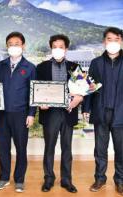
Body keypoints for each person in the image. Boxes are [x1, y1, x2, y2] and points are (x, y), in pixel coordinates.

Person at [36, 34, 83, 193]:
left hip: (68, 112)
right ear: (51, 48)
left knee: (67, 148)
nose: (58, 50)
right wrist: (40, 103)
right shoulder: (41, 67)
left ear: (66, 49)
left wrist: (80, 97)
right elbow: (36, 90)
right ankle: (48, 179)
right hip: (49, 113)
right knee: (49, 147)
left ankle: (66, 180)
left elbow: (84, 89)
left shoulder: (75, 67)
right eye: (55, 47)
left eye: (61, 47)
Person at [82, 27, 123, 196]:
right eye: (109, 39)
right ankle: (100, 178)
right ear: (104, 41)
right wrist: (86, 108)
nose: (112, 42)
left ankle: (121, 181)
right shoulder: (96, 63)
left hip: (122, 113)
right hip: (101, 112)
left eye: (116, 39)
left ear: (121, 41)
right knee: (100, 149)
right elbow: (89, 88)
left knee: (122, 149)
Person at [0, 32, 36, 193]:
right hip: (3, 114)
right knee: (3, 147)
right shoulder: (0, 65)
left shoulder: (30, 67)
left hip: (21, 114)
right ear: (7, 46)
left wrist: (31, 113)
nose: (13, 46)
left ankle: (19, 179)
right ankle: (4, 177)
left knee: (21, 148)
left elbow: (33, 92)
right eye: (10, 44)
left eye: (17, 43)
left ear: (23, 46)